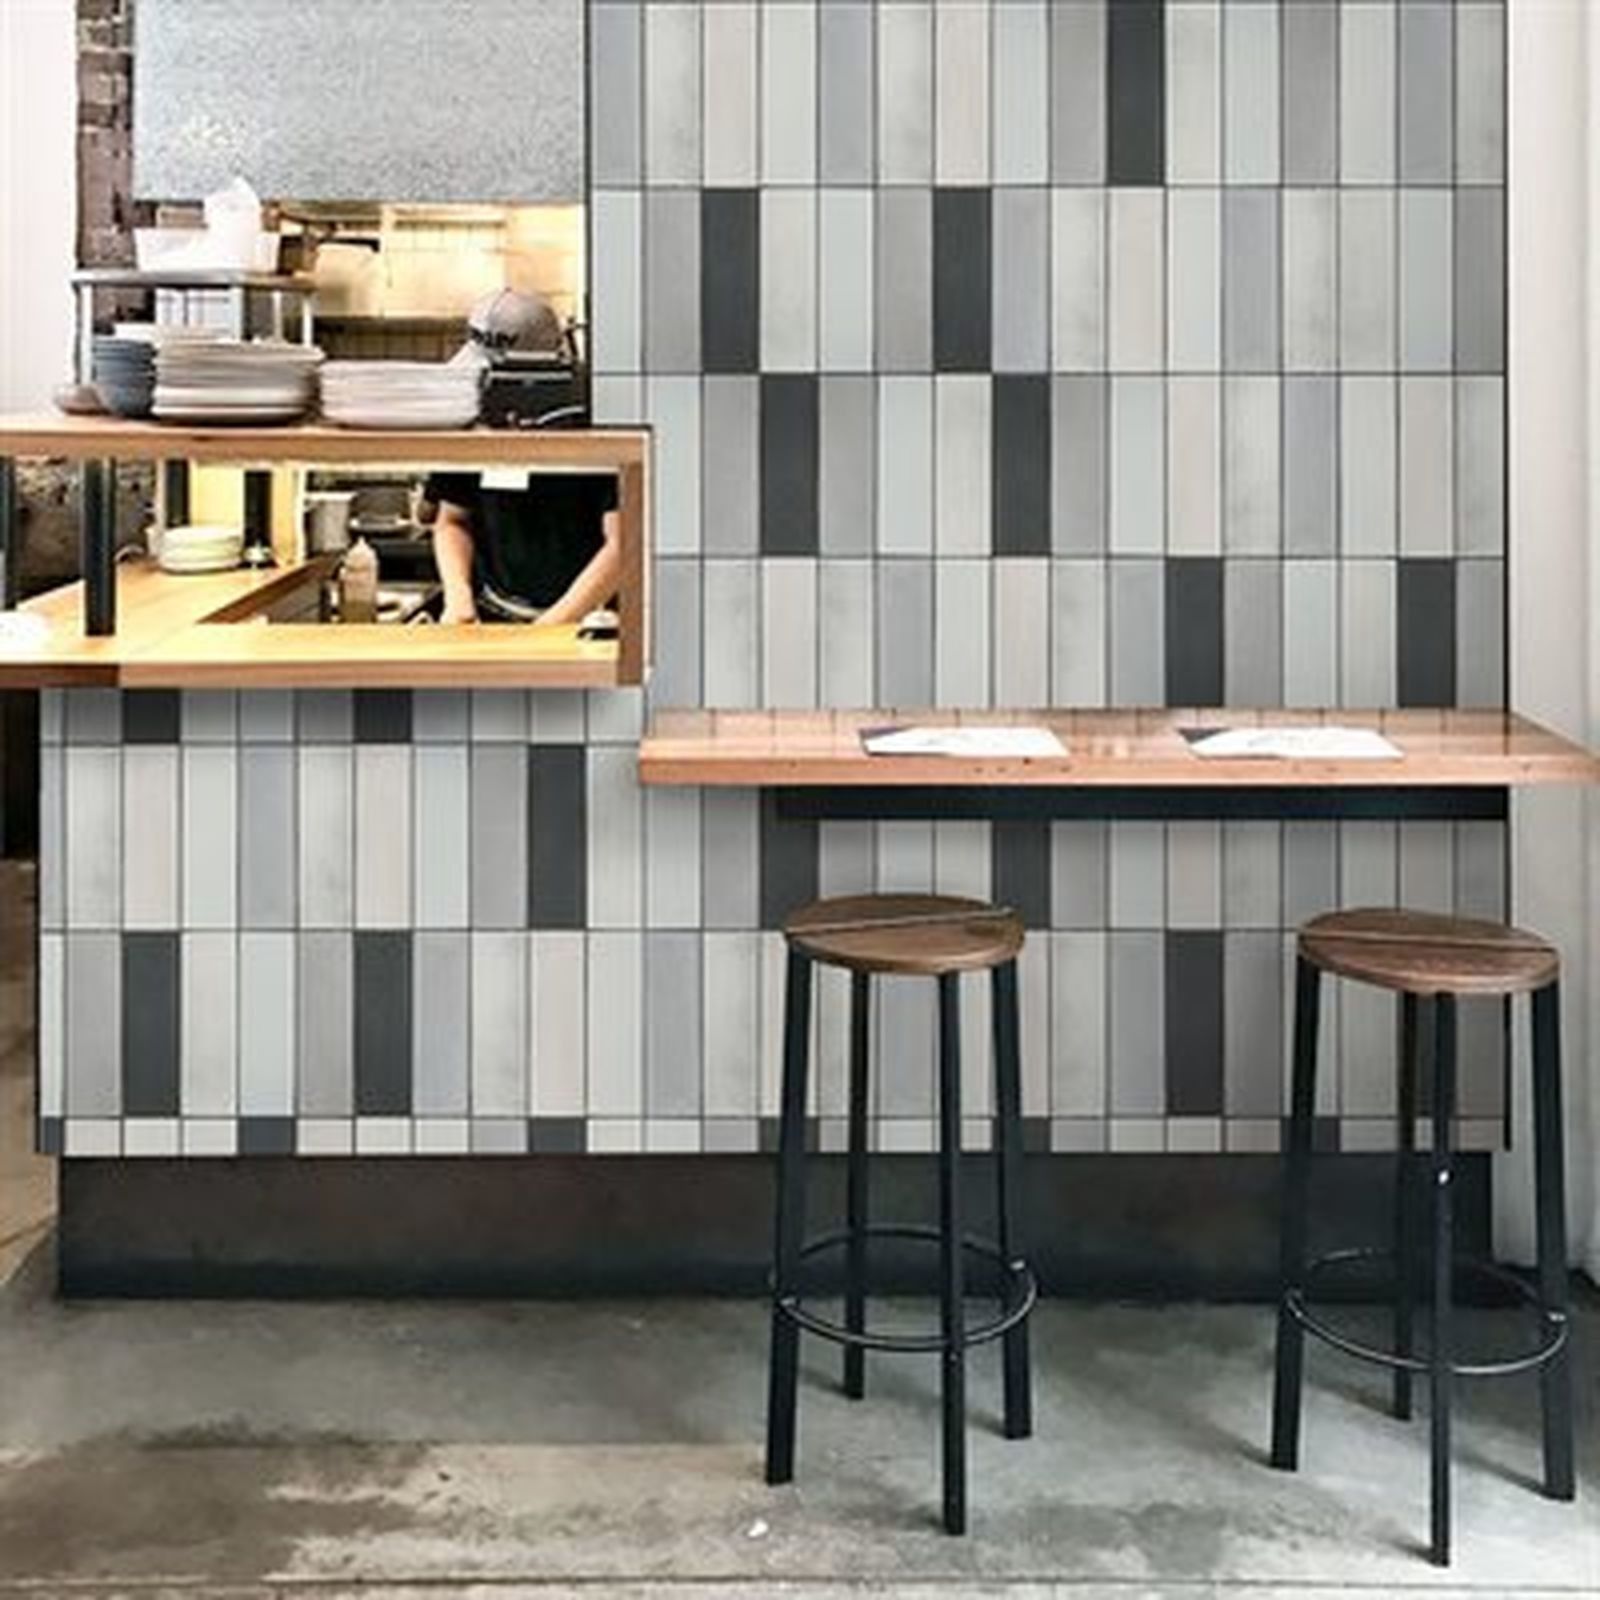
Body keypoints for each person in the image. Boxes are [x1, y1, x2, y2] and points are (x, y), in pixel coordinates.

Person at [426, 467, 620, 625]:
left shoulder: (596, 428)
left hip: (592, 618)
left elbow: (623, 541)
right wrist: (458, 599)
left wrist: (553, 624)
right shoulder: (479, 429)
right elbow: (453, 521)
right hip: (492, 613)